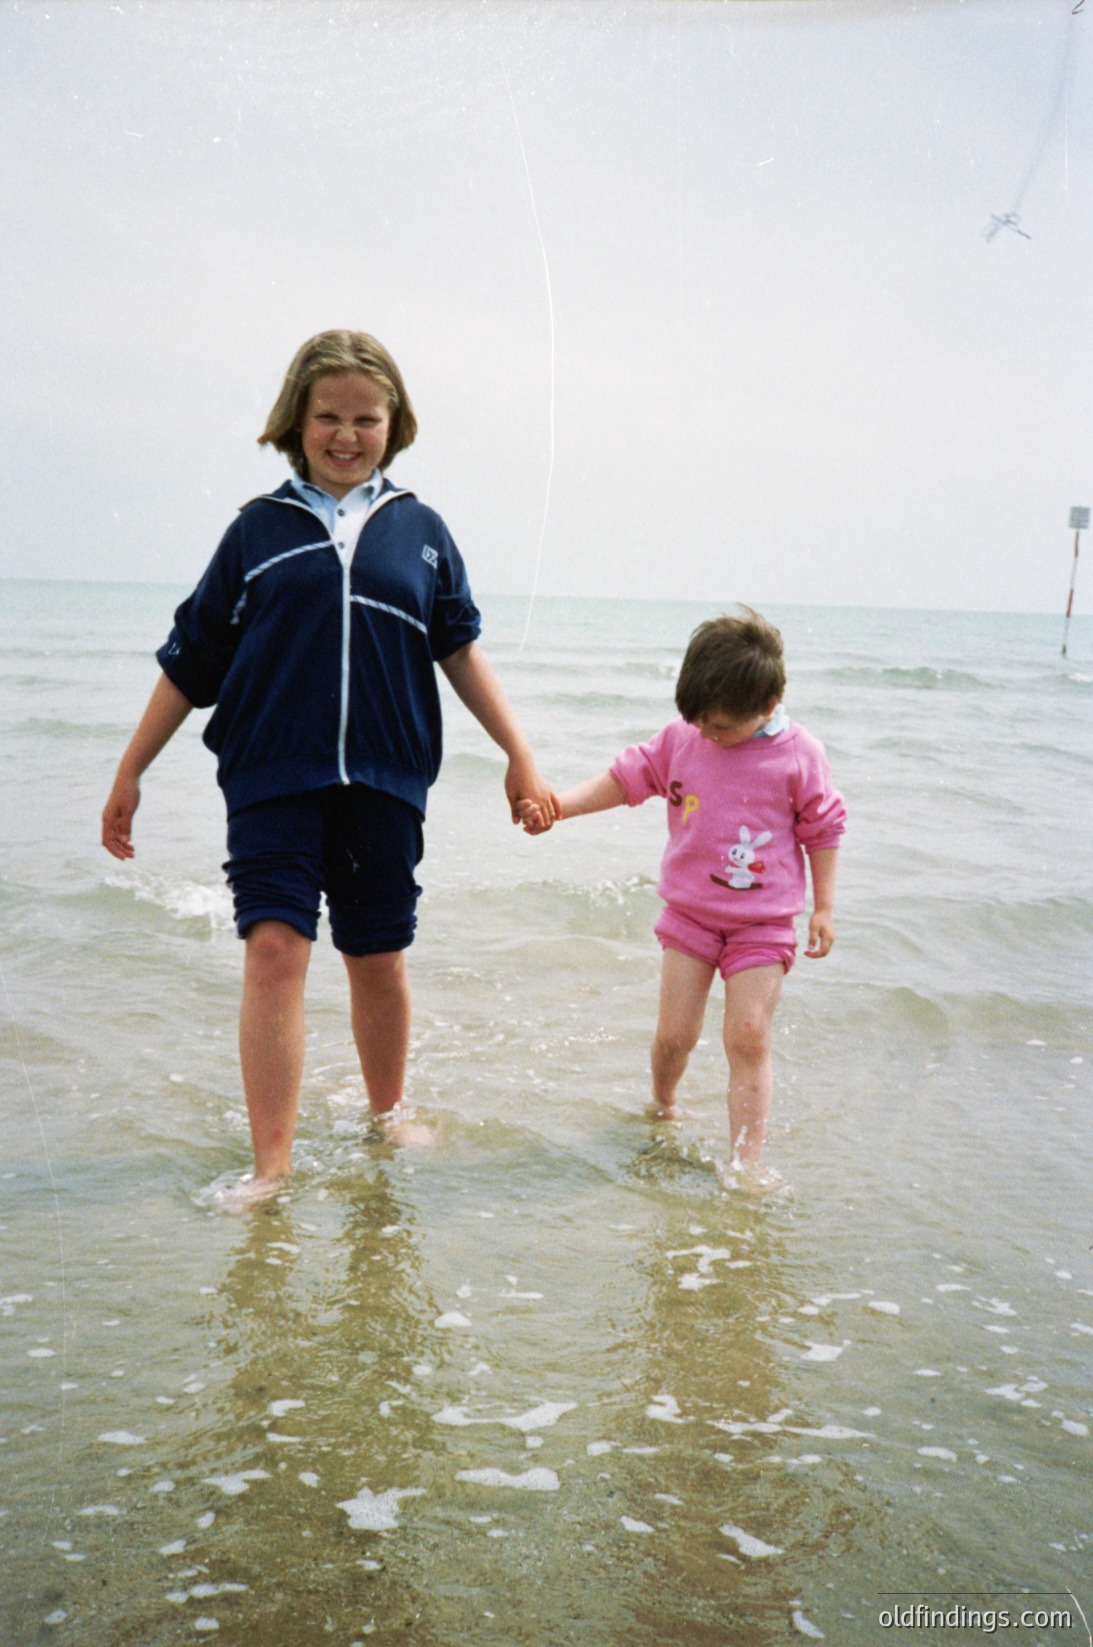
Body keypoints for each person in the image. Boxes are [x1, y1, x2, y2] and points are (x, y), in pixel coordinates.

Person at [102, 329, 558, 1198]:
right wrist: (131, 770)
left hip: (386, 778)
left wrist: (519, 753)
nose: (346, 435)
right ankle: (271, 1164)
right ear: (295, 422)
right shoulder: (256, 531)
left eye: (366, 418)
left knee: (376, 955)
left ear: (394, 424)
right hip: (272, 772)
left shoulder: (421, 531)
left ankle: (387, 1115)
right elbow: (191, 660)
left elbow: (459, 651)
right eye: (328, 417)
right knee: (274, 948)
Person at [518, 608, 845, 1192]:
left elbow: (824, 828)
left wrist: (824, 905)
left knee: (747, 1034)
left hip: (763, 924)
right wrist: (558, 807)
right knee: (676, 1036)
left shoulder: (800, 756)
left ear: (769, 705)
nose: (707, 734)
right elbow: (624, 781)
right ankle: (663, 1102)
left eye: (719, 726)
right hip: (690, 915)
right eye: (698, 721)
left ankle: (746, 1163)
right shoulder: (682, 740)